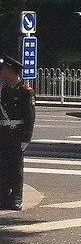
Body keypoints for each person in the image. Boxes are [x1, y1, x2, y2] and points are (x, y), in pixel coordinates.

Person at [0, 53, 36, 211]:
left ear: (11, 71)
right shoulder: (4, 90)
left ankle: (15, 198)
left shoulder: (25, 92)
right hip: (4, 133)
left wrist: (26, 139)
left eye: (4, 69)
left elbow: (30, 117)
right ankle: (3, 197)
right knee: (3, 167)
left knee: (15, 168)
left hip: (16, 134)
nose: (1, 71)